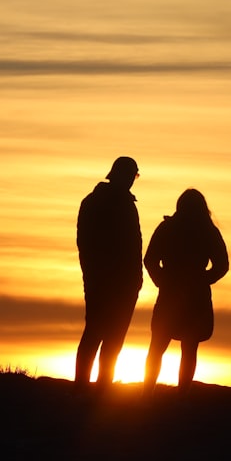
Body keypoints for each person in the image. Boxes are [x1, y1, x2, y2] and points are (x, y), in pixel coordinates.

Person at [143, 189, 229, 397]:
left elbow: (150, 260)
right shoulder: (208, 231)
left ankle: (147, 394)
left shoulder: (168, 228)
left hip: (173, 293)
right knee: (187, 349)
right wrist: (201, 280)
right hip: (192, 295)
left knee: (158, 346)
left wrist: (163, 281)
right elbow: (222, 265)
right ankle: (181, 396)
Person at [75, 156, 143, 390]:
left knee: (105, 336)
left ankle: (92, 387)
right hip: (106, 283)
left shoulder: (96, 202)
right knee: (99, 334)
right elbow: (87, 245)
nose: (133, 181)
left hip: (113, 283)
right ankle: (89, 388)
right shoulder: (104, 203)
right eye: (133, 175)